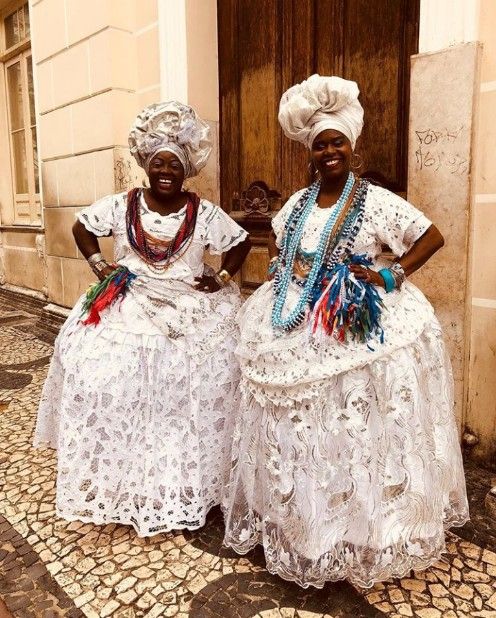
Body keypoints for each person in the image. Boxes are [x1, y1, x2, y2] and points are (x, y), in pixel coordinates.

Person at [222, 75, 468, 588]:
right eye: (319, 144)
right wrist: (280, 281)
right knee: (304, 429)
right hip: (294, 320)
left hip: (355, 322)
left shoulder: (376, 200)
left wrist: (389, 273)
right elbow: (277, 249)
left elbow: (432, 236)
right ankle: (310, 524)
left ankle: (366, 528)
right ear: (309, 153)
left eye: (337, 141)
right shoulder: (295, 203)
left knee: (356, 426)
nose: (329, 150)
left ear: (351, 146)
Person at [35, 101, 251, 536]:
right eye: (158, 163)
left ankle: (184, 479)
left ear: (186, 169)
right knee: (108, 378)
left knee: (188, 388)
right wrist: (99, 264)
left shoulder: (202, 211)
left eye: (174, 163)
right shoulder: (122, 204)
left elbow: (240, 240)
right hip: (127, 301)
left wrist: (223, 276)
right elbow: (81, 226)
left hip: (190, 306)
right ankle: (123, 477)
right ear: (146, 167)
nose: (166, 170)